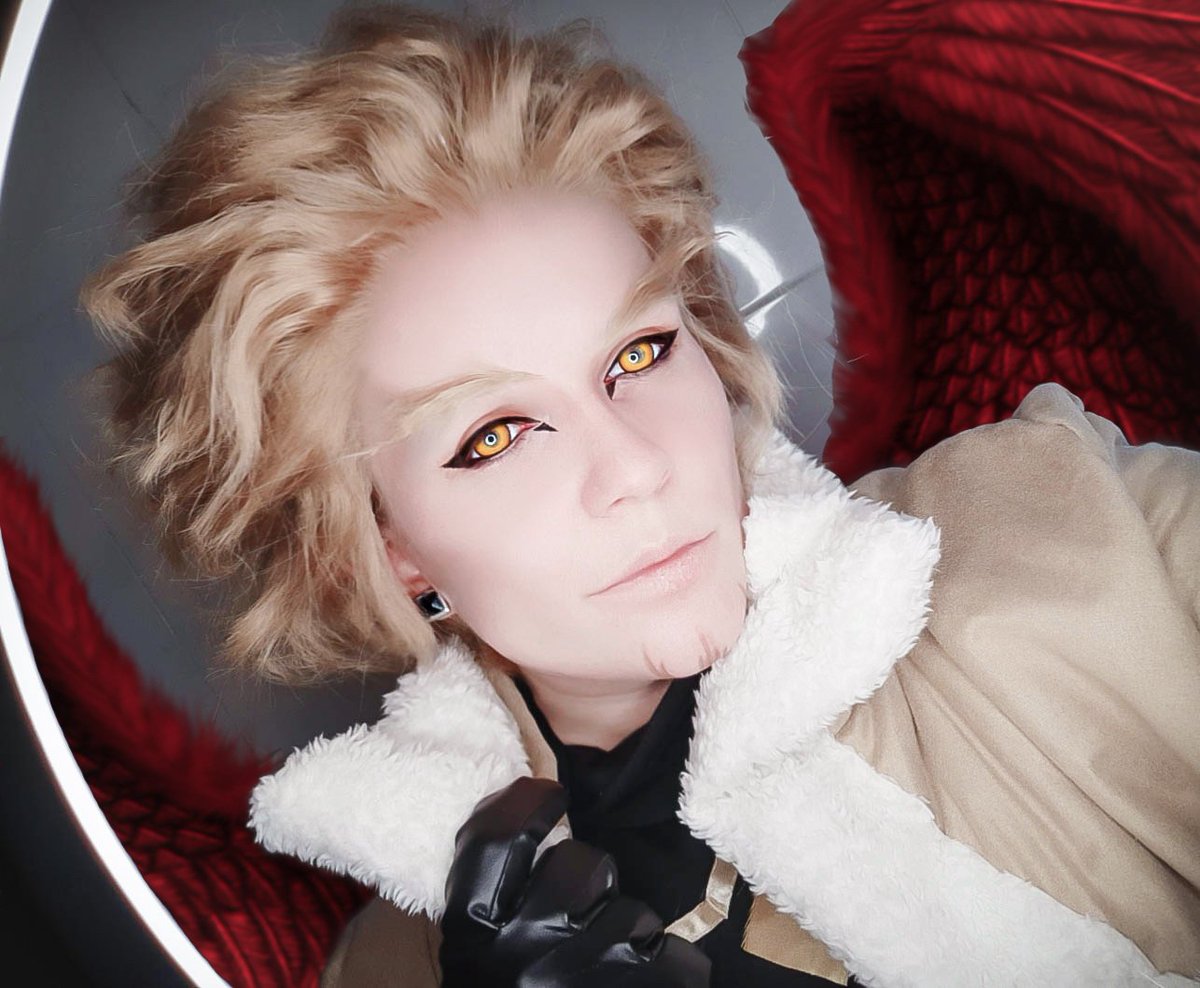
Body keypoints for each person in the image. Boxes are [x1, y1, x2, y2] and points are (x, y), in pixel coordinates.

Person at [80, 4, 1200, 986]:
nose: (636, 467)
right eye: (496, 435)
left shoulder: (1076, 535)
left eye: (637, 355)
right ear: (383, 549)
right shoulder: (398, 967)